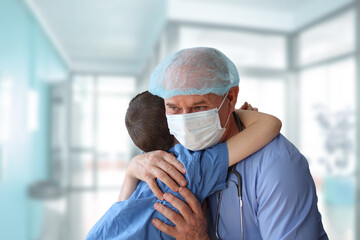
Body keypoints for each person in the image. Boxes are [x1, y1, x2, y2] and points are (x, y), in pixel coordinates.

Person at [122, 47, 329, 239]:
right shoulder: (177, 154)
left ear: (230, 98)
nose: (185, 123)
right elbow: (121, 220)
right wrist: (132, 171)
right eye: (174, 108)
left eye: (198, 107)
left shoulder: (277, 166)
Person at [85, 90, 281, 240]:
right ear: (177, 122)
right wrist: (229, 111)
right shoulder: (190, 165)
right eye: (177, 107)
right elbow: (269, 124)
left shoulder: (149, 162)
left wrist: (130, 173)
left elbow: (121, 212)